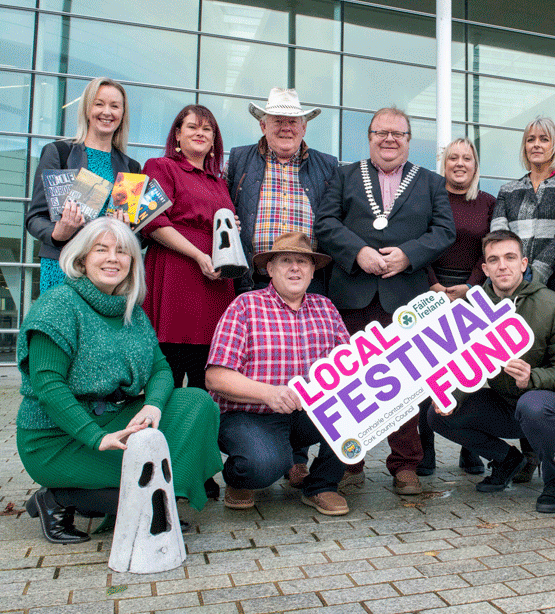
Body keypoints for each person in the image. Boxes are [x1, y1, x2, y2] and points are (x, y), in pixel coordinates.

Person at [15, 218, 222, 544]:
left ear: (132, 262)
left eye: (123, 251)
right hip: (56, 438)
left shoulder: (131, 310)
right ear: (82, 258)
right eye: (102, 249)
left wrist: (153, 406)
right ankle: (56, 498)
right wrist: (96, 437)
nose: (113, 258)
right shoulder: (57, 305)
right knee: (143, 494)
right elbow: (48, 385)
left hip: (112, 419)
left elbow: (161, 370)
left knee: (196, 402)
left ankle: (156, 498)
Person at [314, 107, 455, 496]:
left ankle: (405, 465)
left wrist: (409, 254)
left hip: (405, 298)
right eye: (381, 132)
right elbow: (325, 223)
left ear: (409, 139)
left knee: (405, 383)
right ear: (370, 136)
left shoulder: (431, 182)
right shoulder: (343, 175)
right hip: (353, 295)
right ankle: (346, 463)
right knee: (348, 383)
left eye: (398, 133)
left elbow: (445, 231)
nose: (389, 139)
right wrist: (358, 252)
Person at [427, 230, 555, 514]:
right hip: (508, 405)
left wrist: (533, 377)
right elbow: (466, 364)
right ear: (484, 269)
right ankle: (506, 460)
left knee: (533, 405)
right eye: (494, 260)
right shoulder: (471, 308)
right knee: (437, 414)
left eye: (510, 258)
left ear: (524, 263)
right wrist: (452, 395)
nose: (503, 266)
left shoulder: (554, 305)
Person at [204, 232, 351, 516]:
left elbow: (352, 365)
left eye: (302, 262)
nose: (295, 268)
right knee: (263, 466)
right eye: (285, 261)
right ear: (270, 269)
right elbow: (215, 377)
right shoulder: (244, 306)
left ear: (312, 272)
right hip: (250, 414)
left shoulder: (326, 308)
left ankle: (322, 485)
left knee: (358, 411)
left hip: (307, 413)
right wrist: (269, 393)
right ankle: (239, 476)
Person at [490, 115, 555, 482]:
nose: (536, 145)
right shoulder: (508, 190)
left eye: (543, 139)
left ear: (554, 144)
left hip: (550, 291)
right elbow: (498, 231)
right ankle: (529, 455)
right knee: (515, 368)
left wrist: (534, 278)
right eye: (530, 139)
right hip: (509, 291)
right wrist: (511, 280)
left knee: (543, 369)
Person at [140, 105, 236, 392]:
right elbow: (152, 220)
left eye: (207, 129)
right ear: (178, 134)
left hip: (215, 282)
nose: (200, 133)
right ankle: (161, 434)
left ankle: (198, 434)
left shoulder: (219, 182)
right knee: (169, 370)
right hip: (177, 275)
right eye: (193, 127)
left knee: (205, 374)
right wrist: (198, 255)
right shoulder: (160, 166)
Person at [420, 137, 495, 476]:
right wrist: (433, 285)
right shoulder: (428, 199)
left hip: (473, 291)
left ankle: (471, 448)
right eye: (453, 158)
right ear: (445, 164)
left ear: (476, 165)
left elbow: (490, 249)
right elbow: (417, 243)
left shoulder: (488, 203)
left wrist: (471, 285)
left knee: (469, 372)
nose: (460, 163)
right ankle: (425, 450)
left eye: (467, 158)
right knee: (427, 372)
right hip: (430, 289)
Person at [26, 77, 139, 293]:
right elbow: (34, 218)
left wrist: (127, 231)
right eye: (99, 104)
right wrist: (58, 232)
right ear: (87, 109)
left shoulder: (130, 168)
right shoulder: (59, 153)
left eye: (115, 106)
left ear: (122, 115)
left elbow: (138, 236)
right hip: (63, 266)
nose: (107, 112)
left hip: (108, 272)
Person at [227, 88, 339, 296]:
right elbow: (220, 206)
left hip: (309, 285)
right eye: (278, 121)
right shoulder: (238, 160)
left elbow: (338, 219)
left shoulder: (328, 166)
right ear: (263, 126)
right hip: (253, 282)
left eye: (293, 122)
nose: (286, 128)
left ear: (303, 128)